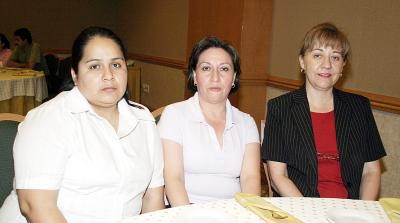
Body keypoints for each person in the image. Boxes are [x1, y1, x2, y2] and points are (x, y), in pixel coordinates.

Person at [0, 26, 164, 223]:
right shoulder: (50, 119)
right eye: (95, 66)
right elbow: (36, 207)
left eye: (116, 65)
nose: (108, 75)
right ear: (75, 75)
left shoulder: (143, 120)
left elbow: (152, 198)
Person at [261, 23, 386, 200]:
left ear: (343, 66)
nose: (327, 65)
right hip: (301, 207)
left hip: (350, 210)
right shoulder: (280, 108)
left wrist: (362, 213)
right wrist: (308, 213)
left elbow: (371, 171)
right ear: (302, 62)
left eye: (335, 57)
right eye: (318, 55)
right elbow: (278, 177)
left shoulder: (359, 107)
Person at [158, 36, 261, 206]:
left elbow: (250, 179)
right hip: (184, 209)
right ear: (194, 76)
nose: (215, 77)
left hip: (232, 211)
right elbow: (173, 178)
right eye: (206, 68)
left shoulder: (246, 123)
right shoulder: (174, 115)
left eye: (224, 69)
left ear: (234, 77)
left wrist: (247, 216)